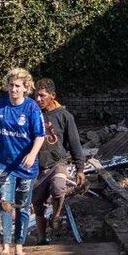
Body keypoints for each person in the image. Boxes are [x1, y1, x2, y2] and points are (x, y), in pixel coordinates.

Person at [0, 68, 46, 255]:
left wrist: (32, 154)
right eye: (11, 85)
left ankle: (19, 246)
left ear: (25, 88)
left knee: (22, 206)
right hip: (3, 164)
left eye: (17, 86)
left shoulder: (32, 108)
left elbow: (40, 135)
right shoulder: (0, 105)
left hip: (26, 166)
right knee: (5, 204)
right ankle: (5, 248)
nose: (13, 89)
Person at [31, 79, 86, 244]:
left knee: (58, 188)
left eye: (42, 96)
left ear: (52, 95)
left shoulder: (64, 116)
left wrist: (80, 169)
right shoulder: (33, 114)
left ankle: (55, 216)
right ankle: (42, 237)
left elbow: (75, 143)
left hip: (58, 161)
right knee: (37, 203)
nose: (38, 99)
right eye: (36, 96)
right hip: (38, 164)